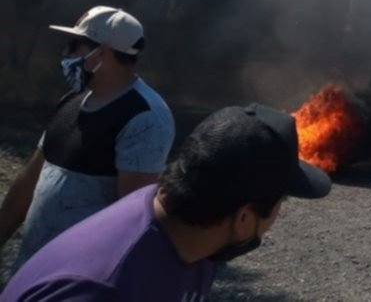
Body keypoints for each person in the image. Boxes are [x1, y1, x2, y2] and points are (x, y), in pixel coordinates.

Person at [1, 104, 332, 301]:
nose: (278, 215)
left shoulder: (193, 240)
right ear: (244, 218)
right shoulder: (102, 288)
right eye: (279, 204)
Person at [0, 6, 174, 270]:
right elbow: (29, 182)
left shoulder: (144, 117)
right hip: (31, 272)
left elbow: (132, 220)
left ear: (101, 53)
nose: (67, 54)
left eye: (75, 45)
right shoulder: (71, 103)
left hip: (78, 281)